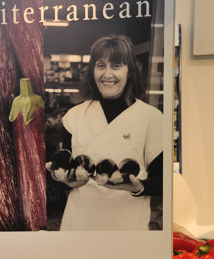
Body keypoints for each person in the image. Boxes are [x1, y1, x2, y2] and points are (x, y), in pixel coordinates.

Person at [49, 34, 163, 231]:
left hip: (127, 227)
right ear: (93, 70)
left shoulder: (151, 118)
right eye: (101, 65)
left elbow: (162, 182)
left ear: (130, 71)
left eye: (116, 66)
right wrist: (62, 180)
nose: (107, 74)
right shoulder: (74, 117)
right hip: (79, 225)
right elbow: (65, 172)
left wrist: (139, 187)